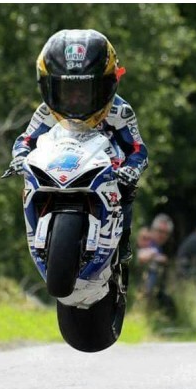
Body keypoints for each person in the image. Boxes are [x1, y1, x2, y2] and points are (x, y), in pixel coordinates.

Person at [9, 29, 148, 264]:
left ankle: (122, 242)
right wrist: (20, 157)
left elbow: (137, 149)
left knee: (127, 189)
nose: (75, 100)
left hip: (106, 169)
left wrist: (131, 170)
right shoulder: (46, 111)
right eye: (67, 92)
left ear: (106, 86)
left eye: (85, 92)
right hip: (58, 166)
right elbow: (26, 140)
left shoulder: (119, 111)